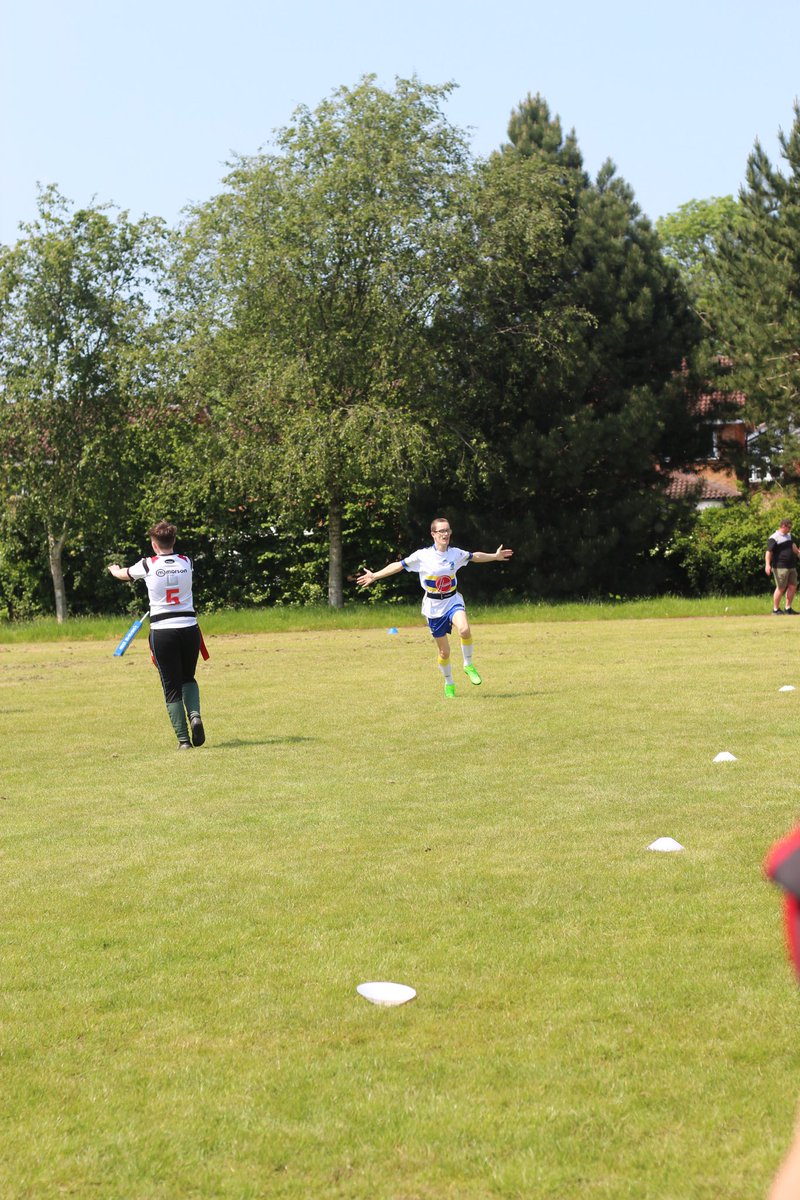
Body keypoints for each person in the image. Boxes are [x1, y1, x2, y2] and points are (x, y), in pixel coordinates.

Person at [356, 516, 513, 698]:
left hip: (453, 600)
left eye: (447, 530)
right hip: (433, 607)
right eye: (441, 531)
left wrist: (495, 556)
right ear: (433, 534)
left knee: (464, 629)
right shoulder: (422, 556)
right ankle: (449, 682)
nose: (445, 534)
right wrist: (375, 576)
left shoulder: (455, 553)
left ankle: (468, 664)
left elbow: (474, 556)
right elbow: (398, 566)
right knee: (444, 652)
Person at [108, 520, 206, 749]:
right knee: (188, 677)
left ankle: (184, 741)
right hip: (189, 628)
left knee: (171, 686)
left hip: (163, 631)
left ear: (154, 544)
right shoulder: (187, 562)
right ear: (173, 541)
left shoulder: (147, 565)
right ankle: (195, 715)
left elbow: (124, 574)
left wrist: (114, 570)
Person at [765, 519, 800, 615]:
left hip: (791, 566)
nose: (790, 529)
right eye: (789, 527)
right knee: (781, 587)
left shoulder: (789, 536)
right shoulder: (774, 537)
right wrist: (767, 565)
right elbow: (768, 552)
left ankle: (788, 608)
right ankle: (775, 609)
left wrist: (798, 553)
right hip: (780, 567)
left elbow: (794, 547)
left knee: (793, 586)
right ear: (783, 526)